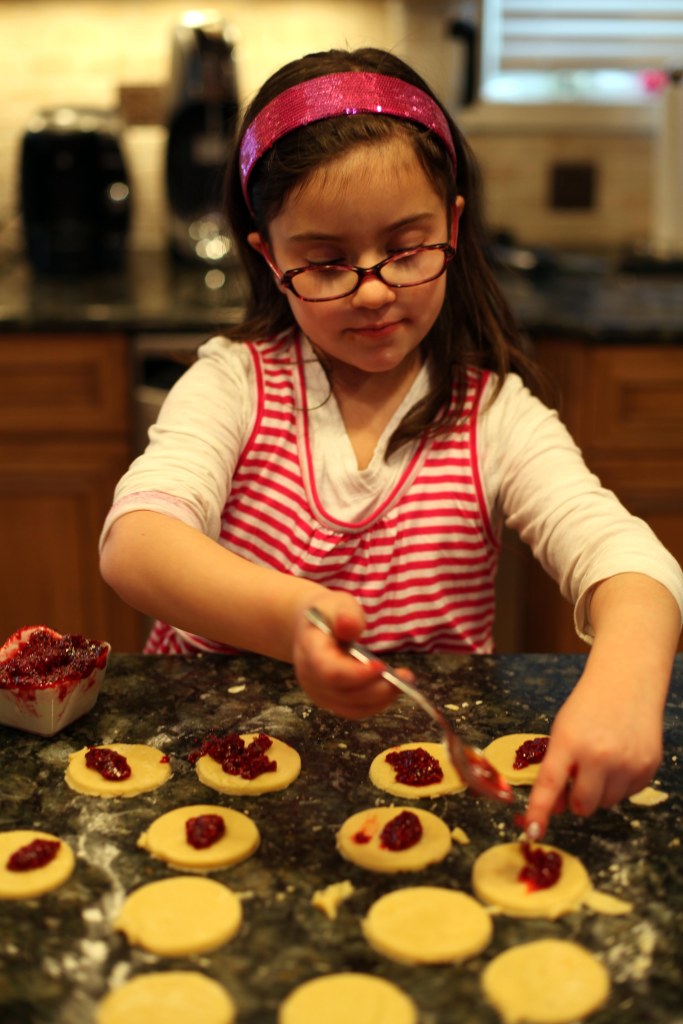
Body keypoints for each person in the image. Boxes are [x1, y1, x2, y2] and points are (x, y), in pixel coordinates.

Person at [100, 47, 683, 838]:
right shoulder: (233, 383)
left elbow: (627, 560)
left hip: (420, 780)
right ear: (268, 256)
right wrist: (294, 617)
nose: (372, 290)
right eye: (326, 262)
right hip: (206, 762)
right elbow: (136, 543)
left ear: (452, 222)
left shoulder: (495, 415)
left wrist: (622, 680)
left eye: (406, 249)